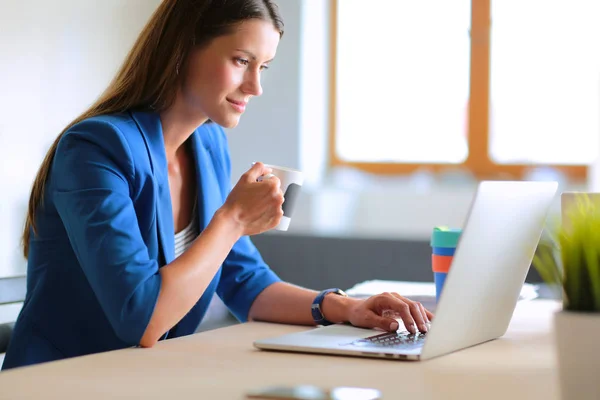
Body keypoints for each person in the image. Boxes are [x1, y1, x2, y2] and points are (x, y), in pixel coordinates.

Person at [2, 0, 433, 370]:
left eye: (263, 67)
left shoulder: (207, 143)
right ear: (183, 48)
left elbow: (244, 280)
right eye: (241, 61)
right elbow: (142, 319)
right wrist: (233, 218)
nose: (256, 86)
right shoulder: (97, 149)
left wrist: (346, 307)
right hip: (59, 382)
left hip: (140, 378)